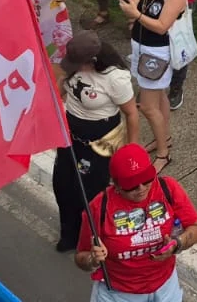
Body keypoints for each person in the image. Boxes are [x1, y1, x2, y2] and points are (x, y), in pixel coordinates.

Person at [74, 143, 197, 302]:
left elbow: (196, 227)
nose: (141, 188)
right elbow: (81, 257)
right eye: (131, 185)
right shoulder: (98, 208)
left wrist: (178, 243)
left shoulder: (168, 188)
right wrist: (92, 260)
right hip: (119, 294)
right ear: (116, 185)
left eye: (146, 178)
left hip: (165, 287)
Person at [53, 32, 139, 254]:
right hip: (70, 136)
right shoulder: (75, 67)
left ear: (92, 61)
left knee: (90, 194)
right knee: (63, 185)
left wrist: (132, 149)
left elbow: (131, 114)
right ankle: (68, 234)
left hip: (100, 144)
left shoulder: (115, 78)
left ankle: (90, 241)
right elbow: (62, 88)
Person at [119, 0, 187, 173]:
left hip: (156, 53)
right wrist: (126, 1)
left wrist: (135, 15)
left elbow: (161, 26)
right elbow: (134, 6)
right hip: (139, 46)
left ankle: (163, 154)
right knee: (158, 98)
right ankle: (163, 139)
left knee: (147, 107)